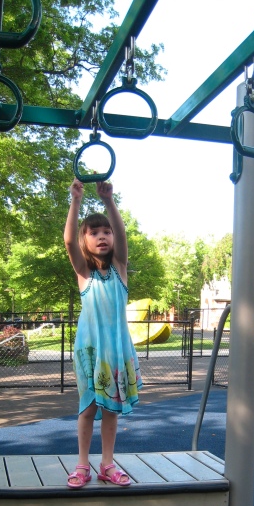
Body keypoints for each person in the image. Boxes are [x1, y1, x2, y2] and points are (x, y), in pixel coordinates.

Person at [63, 177, 142, 488]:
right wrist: (76, 201)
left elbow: (122, 236)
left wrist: (110, 202)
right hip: (91, 350)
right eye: (94, 232)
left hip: (117, 351)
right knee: (89, 406)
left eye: (105, 231)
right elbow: (69, 241)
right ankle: (82, 463)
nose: (102, 236)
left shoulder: (120, 269)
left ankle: (107, 463)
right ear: (86, 240)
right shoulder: (85, 275)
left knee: (112, 410)